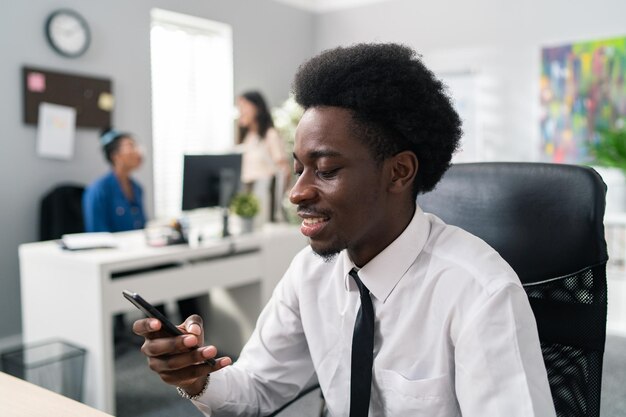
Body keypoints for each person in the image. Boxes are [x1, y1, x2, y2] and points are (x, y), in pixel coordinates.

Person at [133, 43, 556, 416]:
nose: (297, 193)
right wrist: (195, 379)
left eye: (326, 169)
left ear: (399, 171)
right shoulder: (310, 273)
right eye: (299, 168)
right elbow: (256, 389)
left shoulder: (480, 292)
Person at [236, 91, 291, 222]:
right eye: (239, 107)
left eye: (244, 106)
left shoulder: (270, 135)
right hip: (247, 199)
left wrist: (278, 202)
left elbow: (285, 171)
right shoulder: (246, 138)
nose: (241, 111)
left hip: (265, 199)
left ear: (257, 108)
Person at [83, 128, 146, 233]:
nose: (138, 151)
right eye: (131, 146)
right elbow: (96, 233)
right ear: (115, 155)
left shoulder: (137, 188)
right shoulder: (98, 190)